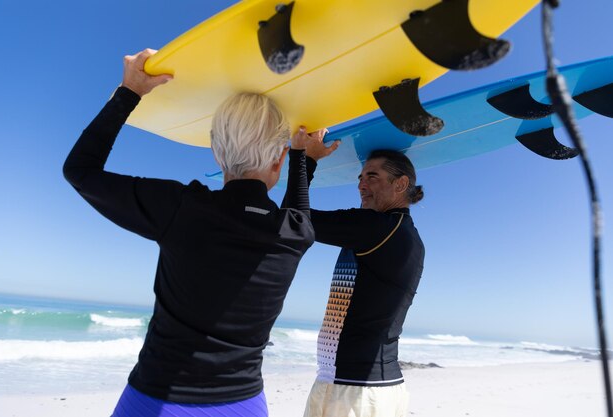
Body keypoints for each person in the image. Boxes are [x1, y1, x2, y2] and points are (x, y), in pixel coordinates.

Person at [63, 48, 315, 417]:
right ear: (276, 160)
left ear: (216, 151)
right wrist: (300, 157)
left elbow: (80, 171)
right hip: (244, 405)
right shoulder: (296, 233)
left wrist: (129, 91)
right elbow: (297, 206)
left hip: (159, 400)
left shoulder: (183, 208)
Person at [298, 137, 425, 417]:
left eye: (372, 176)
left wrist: (306, 158)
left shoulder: (380, 228)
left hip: (355, 390)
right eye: (360, 177)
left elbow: (294, 218)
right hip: (369, 386)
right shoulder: (403, 233)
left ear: (401, 184)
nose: (361, 184)